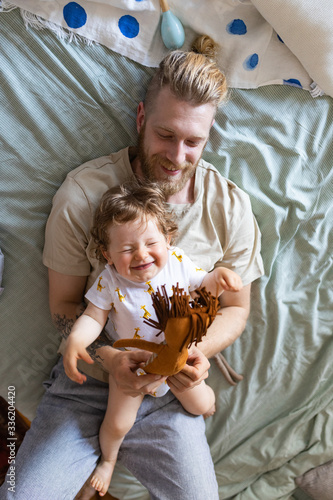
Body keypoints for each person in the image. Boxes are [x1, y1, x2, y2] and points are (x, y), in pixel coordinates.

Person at [0, 34, 264, 499]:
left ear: (208, 139)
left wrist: (192, 352)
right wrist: (107, 357)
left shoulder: (231, 208)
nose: (177, 156)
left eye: (193, 142)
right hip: (90, 388)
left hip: (172, 397)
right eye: (165, 135)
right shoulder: (84, 195)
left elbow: (236, 309)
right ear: (141, 119)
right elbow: (65, 304)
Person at [63, 181, 243, 497]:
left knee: (203, 403)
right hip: (133, 370)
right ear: (108, 254)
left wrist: (220, 277)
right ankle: (107, 460)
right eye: (128, 249)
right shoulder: (110, 281)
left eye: (151, 243)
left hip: (178, 361)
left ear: (168, 238)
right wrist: (77, 339)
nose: (141, 255)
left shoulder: (177, 262)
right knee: (117, 423)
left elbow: (203, 288)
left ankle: (206, 406)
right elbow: (93, 316)